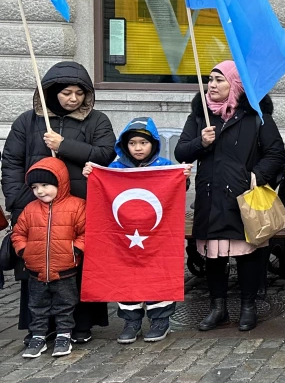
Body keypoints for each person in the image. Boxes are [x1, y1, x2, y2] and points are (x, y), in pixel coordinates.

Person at [2, 61, 115, 345]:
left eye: (79, 93)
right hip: (34, 207)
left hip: (79, 208)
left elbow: (105, 154)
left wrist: (64, 145)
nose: (73, 98)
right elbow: (12, 161)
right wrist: (17, 198)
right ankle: (40, 325)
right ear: (52, 92)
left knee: (76, 266)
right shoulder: (26, 122)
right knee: (37, 269)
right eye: (67, 92)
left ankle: (80, 324)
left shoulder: (97, 121)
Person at [175, 61, 285, 333]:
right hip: (210, 198)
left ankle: (248, 307)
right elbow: (181, 152)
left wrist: (255, 177)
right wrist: (200, 142)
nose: (211, 85)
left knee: (247, 255)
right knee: (213, 257)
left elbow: (276, 154)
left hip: (243, 200)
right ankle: (218, 308)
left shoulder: (256, 116)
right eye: (210, 79)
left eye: (218, 80)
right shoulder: (200, 115)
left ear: (235, 84)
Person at [83, 118, 183, 343]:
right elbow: (102, 189)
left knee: (159, 273)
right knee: (125, 275)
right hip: (122, 237)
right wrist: (93, 174)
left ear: (153, 144)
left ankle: (160, 320)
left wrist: (181, 179)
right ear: (124, 145)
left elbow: (176, 190)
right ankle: (131, 321)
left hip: (157, 237)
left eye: (143, 143)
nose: (138, 148)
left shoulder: (165, 166)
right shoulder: (115, 168)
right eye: (133, 143)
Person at [14, 158, 87, 359]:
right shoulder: (30, 209)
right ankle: (38, 336)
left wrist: (76, 249)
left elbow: (86, 232)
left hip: (65, 269)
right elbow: (18, 233)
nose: (40, 191)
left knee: (65, 304)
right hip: (36, 270)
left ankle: (64, 334)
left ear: (60, 183)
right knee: (37, 305)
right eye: (35, 187)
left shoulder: (77, 206)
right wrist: (23, 251)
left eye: (46, 185)